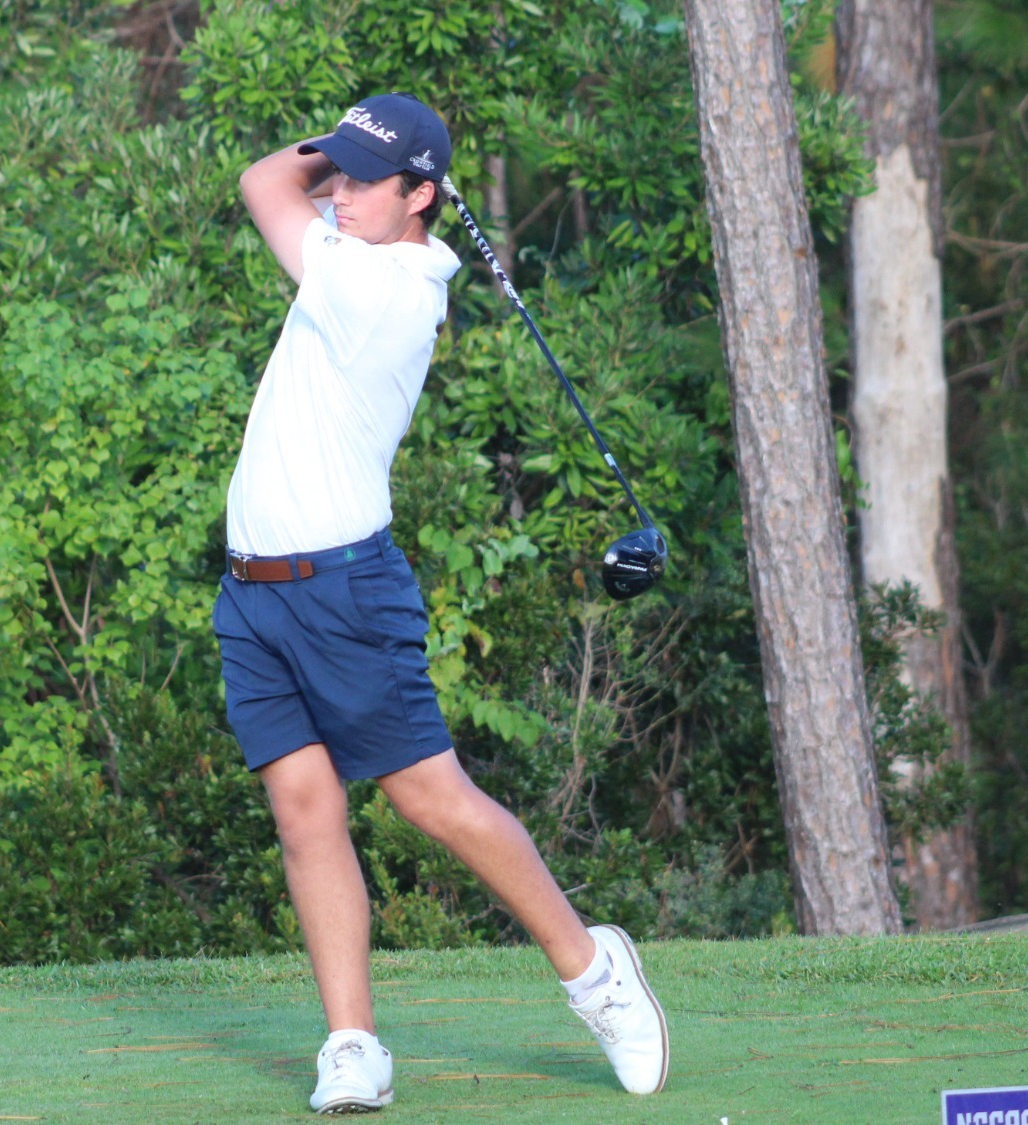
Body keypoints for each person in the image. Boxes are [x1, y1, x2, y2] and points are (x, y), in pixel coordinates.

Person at [212, 91, 670, 1115]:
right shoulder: (356, 244)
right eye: (333, 173)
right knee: (303, 810)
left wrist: (323, 160)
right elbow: (286, 182)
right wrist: (351, 142)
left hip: (341, 592)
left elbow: (257, 182)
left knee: (428, 799)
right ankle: (352, 1045)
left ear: (421, 196)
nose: (336, 195)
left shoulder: (380, 288)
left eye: (365, 182)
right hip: (254, 592)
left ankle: (591, 971)